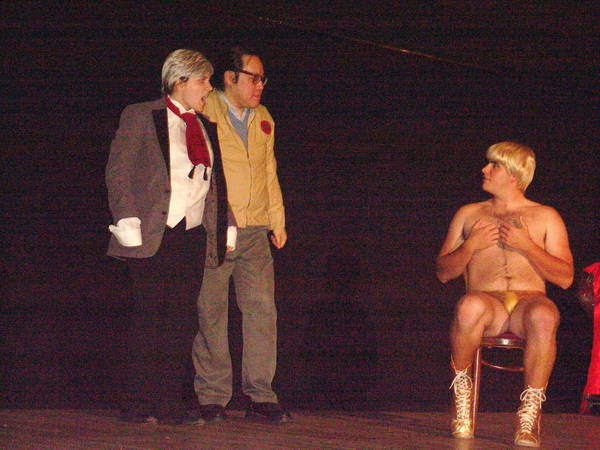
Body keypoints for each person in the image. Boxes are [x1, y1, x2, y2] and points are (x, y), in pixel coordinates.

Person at [106, 49, 229, 425]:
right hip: (151, 232)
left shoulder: (205, 125)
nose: (209, 88)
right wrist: (126, 219)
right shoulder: (142, 115)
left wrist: (225, 226)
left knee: (180, 321)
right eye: (203, 80)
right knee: (148, 319)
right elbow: (119, 171)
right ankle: (136, 401)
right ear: (179, 81)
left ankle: (169, 402)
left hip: (191, 235)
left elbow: (215, 184)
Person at [436, 142, 573, 447]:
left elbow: (565, 278)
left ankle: (530, 412)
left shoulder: (545, 216)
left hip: (528, 304)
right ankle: (462, 397)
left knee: (545, 313)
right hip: (488, 304)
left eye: (494, 165)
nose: (485, 170)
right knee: (469, 306)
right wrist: (470, 246)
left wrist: (528, 247)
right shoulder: (469, 214)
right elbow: (443, 272)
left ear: (513, 174)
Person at [192, 46, 290, 423]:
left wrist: (277, 221)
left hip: (255, 230)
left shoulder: (263, 117)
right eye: (253, 78)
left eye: (263, 79)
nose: (260, 85)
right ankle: (212, 396)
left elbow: (269, 172)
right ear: (230, 78)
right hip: (216, 227)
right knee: (211, 311)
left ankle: (260, 394)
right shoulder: (206, 108)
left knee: (262, 310)